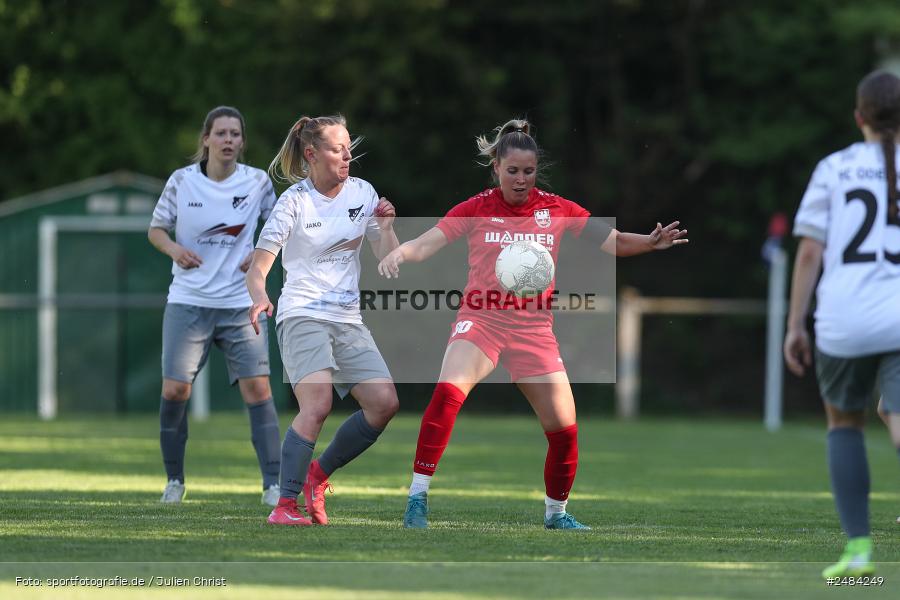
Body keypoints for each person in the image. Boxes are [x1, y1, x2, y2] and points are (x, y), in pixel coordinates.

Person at [377, 118, 688, 529]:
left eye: (529, 171)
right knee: (447, 394)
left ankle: (556, 515)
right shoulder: (476, 208)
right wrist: (401, 251)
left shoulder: (557, 209)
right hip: (482, 320)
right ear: (496, 169)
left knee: (565, 429)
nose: (521, 179)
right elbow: (427, 242)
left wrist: (650, 242)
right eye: (513, 171)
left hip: (533, 331)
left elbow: (612, 241)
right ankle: (417, 499)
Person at [247, 114, 401, 526]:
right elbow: (258, 268)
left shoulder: (363, 193)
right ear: (312, 154)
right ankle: (284, 506)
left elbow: (388, 259)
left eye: (349, 148)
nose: (348, 156)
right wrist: (260, 298)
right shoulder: (293, 202)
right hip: (302, 313)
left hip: (347, 319)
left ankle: (317, 477)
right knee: (317, 405)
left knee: (384, 404)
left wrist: (387, 228)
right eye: (338, 149)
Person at [784, 70, 900, 579]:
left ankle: (858, 552)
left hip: (844, 318)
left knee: (845, 424)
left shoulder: (834, 168)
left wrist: (795, 324)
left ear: (859, 117)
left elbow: (810, 252)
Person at [148, 106, 282, 505]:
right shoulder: (182, 181)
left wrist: (259, 254)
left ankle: (273, 486)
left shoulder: (257, 182)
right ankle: (174, 481)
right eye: (221, 133)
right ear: (206, 139)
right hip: (189, 301)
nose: (228, 140)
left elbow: (279, 228)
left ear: (242, 141)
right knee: (175, 389)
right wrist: (175, 250)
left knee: (258, 389)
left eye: (235, 134)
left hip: (241, 304)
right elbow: (156, 230)